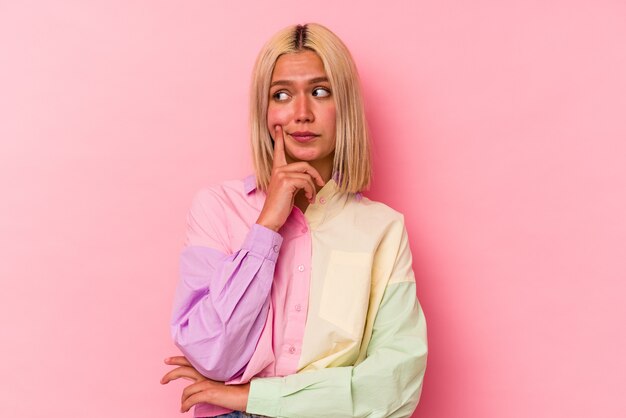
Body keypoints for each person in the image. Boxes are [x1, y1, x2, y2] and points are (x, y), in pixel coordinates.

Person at [160, 23, 428, 418]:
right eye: (282, 95)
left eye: (321, 92)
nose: (302, 114)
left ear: (346, 107)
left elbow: (394, 383)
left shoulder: (382, 230)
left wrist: (252, 396)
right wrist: (265, 228)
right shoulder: (218, 207)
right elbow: (208, 352)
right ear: (265, 112)